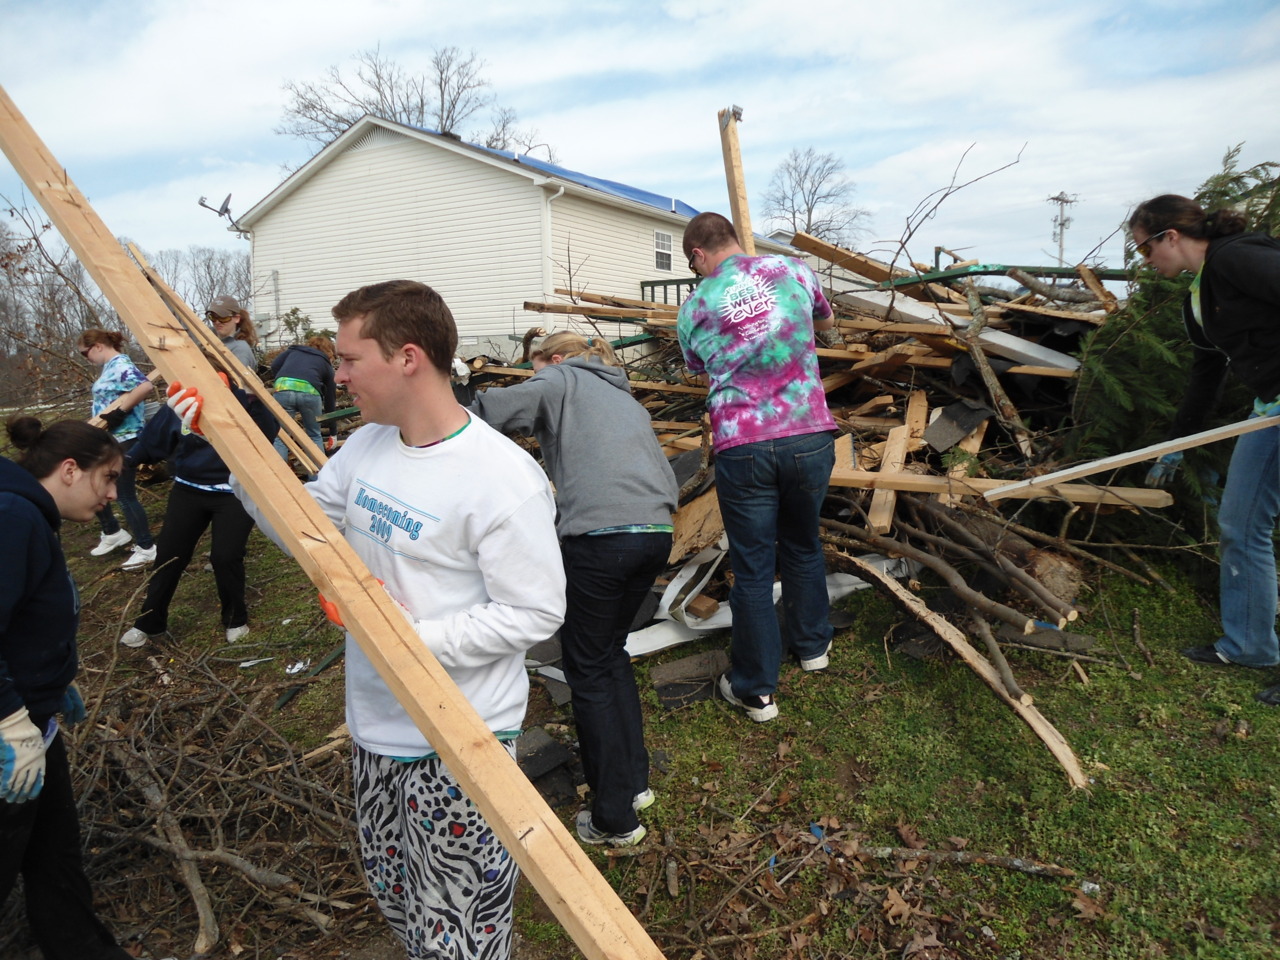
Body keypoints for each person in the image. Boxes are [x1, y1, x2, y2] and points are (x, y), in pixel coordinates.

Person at [230, 279, 565, 958]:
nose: (338, 375)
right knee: (400, 904)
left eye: (351, 359)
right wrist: (234, 452)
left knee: (459, 935)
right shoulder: (368, 447)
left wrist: (407, 638)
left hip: (461, 738)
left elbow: (535, 613)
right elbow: (306, 530)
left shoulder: (500, 479)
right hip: (378, 725)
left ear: (407, 357)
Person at [470, 331, 678, 846]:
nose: (534, 376)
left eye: (534, 367)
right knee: (609, 654)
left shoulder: (561, 378)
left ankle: (614, 819)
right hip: (654, 533)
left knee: (584, 666)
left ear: (555, 360)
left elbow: (484, 411)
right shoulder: (623, 397)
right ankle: (633, 785)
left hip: (602, 538)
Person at [677, 212, 838, 723]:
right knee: (803, 543)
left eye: (691, 263)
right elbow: (826, 323)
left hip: (743, 443)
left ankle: (756, 690)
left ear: (699, 254)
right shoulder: (793, 272)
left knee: (751, 567)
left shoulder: (695, 308)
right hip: (809, 433)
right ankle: (813, 648)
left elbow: (698, 366)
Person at [1129, 194, 1280, 705]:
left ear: (1170, 236)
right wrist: (1177, 442)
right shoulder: (1199, 294)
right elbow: (1206, 375)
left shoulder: (1238, 258)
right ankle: (1250, 646)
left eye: (1145, 250)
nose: (1146, 263)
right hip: (1269, 410)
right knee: (1240, 524)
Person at [0, 415, 137, 960]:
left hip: (36, 720)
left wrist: (52, 682)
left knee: (54, 855)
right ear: (70, 469)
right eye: (108, 478)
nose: (111, 495)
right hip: (11, 734)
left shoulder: (29, 513)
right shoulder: (11, 518)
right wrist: (9, 717)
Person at [117, 379, 277, 648]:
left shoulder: (242, 401)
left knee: (225, 556)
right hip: (189, 489)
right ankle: (149, 621)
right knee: (169, 555)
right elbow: (153, 440)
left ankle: (235, 619)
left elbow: (268, 435)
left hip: (234, 491)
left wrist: (255, 400)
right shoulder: (185, 399)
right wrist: (127, 461)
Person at [78, 328, 157, 571]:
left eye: (85, 353)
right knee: (94, 483)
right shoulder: (110, 367)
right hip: (112, 439)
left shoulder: (120, 364)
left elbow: (144, 387)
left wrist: (120, 412)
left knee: (124, 495)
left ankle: (147, 548)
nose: (86, 358)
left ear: (98, 346)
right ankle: (113, 532)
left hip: (126, 438)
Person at [268, 334, 337, 467]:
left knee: (281, 436)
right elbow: (330, 401)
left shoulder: (294, 351)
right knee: (314, 436)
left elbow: (275, 365)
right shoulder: (324, 362)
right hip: (310, 393)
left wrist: (285, 378)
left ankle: (281, 477)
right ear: (329, 352)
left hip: (283, 388)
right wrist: (333, 433)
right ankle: (318, 478)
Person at [206, 295, 258, 370]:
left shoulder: (240, 349)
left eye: (223, 318)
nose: (217, 322)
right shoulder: (204, 341)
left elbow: (238, 380)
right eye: (213, 317)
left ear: (237, 318)